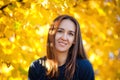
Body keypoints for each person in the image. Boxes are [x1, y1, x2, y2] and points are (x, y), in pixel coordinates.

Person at [28, 15, 94, 80]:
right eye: (60, 31)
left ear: (74, 40)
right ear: (51, 34)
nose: (64, 38)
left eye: (70, 34)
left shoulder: (84, 68)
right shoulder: (36, 68)